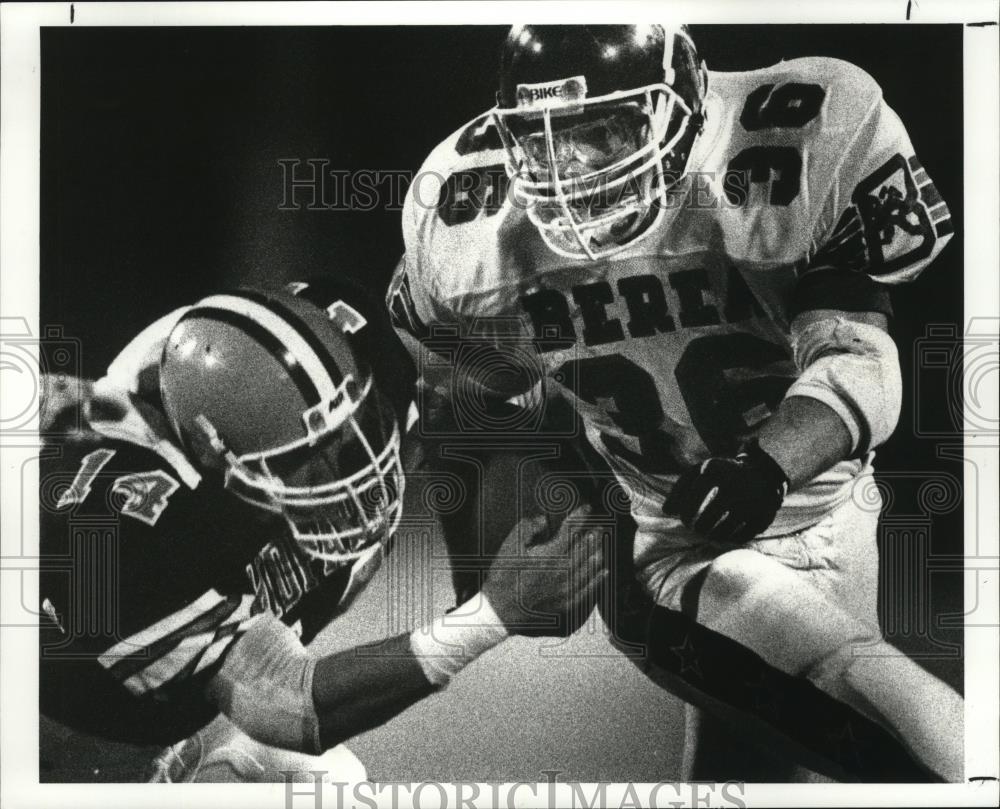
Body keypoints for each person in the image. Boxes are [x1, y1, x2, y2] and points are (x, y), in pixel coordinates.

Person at [386, 24, 962, 782]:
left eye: (602, 132)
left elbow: (855, 357)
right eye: (544, 142)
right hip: (667, 536)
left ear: (680, 106)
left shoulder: (790, 139)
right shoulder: (470, 221)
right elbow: (470, 391)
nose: (571, 172)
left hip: (831, 509)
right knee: (867, 692)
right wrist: (489, 547)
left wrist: (766, 466)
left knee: (754, 763)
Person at [39, 280, 605, 782]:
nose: (354, 473)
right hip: (66, 740)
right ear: (215, 455)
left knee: (336, 792)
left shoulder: (353, 345)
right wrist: (493, 612)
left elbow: (486, 388)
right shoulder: (112, 530)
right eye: (303, 461)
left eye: (357, 427)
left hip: (206, 703)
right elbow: (289, 704)